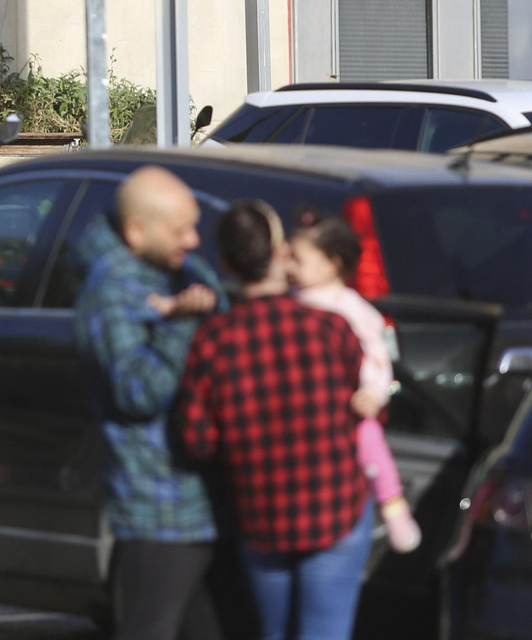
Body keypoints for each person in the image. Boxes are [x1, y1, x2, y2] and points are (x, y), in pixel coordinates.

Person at [175, 201, 370, 640]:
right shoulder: (331, 328)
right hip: (335, 504)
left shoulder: (213, 340)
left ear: (226, 263)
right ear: (281, 252)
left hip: (261, 514)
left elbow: (197, 439)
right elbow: (362, 404)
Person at [73, 165, 228, 640]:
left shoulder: (176, 271)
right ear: (136, 231)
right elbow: (137, 393)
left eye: (194, 227)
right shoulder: (111, 292)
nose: (193, 241)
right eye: (180, 231)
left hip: (202, 500)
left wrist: (196, 306)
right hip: (159, 508)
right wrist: (180, 325)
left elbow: (218, 318)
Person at [289, 210, 422, 553]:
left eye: (298, 259)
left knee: (370, 444)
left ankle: (393, 505)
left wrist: (372, 393)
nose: (289, 266)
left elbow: (377, 356)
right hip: (310, 406)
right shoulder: (292, 299)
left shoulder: (353, 308)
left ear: (331, 264)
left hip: (350, 402)